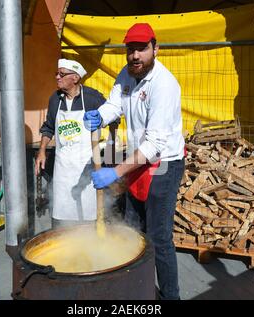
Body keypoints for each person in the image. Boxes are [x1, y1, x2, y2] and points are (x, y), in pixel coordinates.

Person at [83, 23, 185, 300]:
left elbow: (154, 146)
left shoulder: (164, 86)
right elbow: (115, 105)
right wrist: (100, 116)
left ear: (156, 49)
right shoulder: (126, 75)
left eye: (142, 49)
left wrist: (114, 172)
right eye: (130, 50)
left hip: (163, 163)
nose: (135, 56)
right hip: (138, 160)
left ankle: (169, 297)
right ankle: (136, 289)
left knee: (159, 238)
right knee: (131, 231)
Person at [36, 58, 106, 229]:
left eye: (62, 74)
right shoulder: (55, 99)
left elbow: (113, 119)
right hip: (63, 168)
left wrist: (109, 155)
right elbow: (49, 127)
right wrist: (42, 150)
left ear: (75, 78)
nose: (57, 77)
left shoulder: (92, 98)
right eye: (57, 74)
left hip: (86, 166)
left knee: (87, 214)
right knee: (61, 215)